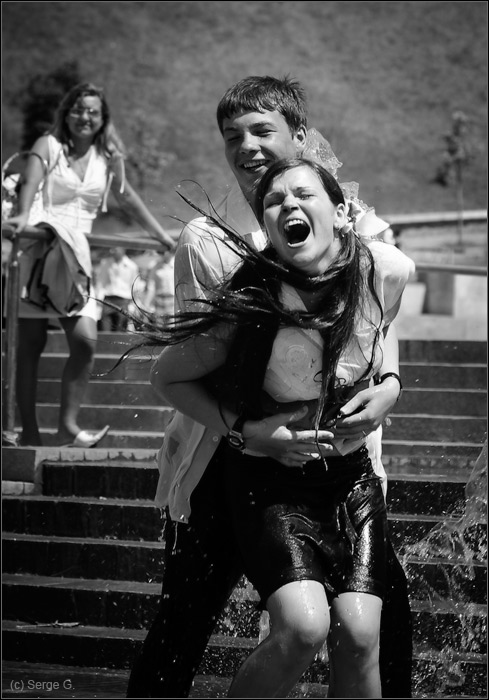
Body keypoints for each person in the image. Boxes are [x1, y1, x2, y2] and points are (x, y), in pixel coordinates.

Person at [127, 76, 413, 698]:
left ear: (301, 139)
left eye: (264, 131)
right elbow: (202, 361)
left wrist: (390, 380)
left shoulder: (347, 214)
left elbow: (378, 311)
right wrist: (253, 430)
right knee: (185, 620)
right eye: (234, 137)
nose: (248, 147)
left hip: (338, 459)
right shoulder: (208, 238)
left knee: (378, 628)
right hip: (225, 459)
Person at [5, 82, 174, 447]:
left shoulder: (108, 155)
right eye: (78, 109)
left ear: (102, 119)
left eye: (93, 112)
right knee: (29, 347)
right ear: (66, 113)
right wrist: (20, 217)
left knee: (84, 340)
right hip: (39, 249)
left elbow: (126, 197)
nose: (85, 117)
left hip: (76, 257)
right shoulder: (48, 146)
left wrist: (161, 235)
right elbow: (30, 186)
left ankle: (67, 426)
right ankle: (29, 432)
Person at [96, 246, 140, 331]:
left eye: (115, 249)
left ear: (122, 249)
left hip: (124, 300)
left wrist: (134, 304)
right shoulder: (106, 263)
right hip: (108, 299)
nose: (112, 251)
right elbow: (101, 282)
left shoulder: (131, 266)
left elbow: (134, 286)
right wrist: (99, 299)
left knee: (120, 330)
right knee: (106, 330)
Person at [142, 250, 175, 321]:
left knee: (172, 327)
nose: (165, 253)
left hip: (173, 300)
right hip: (159, 300)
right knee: (159, 326)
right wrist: (146, 304)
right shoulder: (155, 265)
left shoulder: (178, 264)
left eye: (167, 250)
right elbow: (151, 287)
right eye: (163, 251)